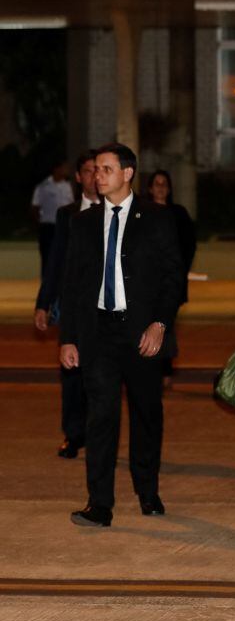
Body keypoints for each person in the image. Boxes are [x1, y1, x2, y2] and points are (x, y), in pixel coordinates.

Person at [60, 143, 184, 527]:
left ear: (128, 173)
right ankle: (99, 503)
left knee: (147, 414)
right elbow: (72, 284)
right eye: (96, 170)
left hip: (143, 332)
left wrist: (159, 324)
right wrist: (68, 337)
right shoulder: (81, 223)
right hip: (98, 333)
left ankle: (147, 491)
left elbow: (173, 278)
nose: (98, 176)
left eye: (107, 169)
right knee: (101, 417)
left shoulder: (159, 218)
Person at [34, 149, 99, 459]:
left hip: (108, 309)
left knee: (101, 375)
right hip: (74, 308)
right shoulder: (67, 215)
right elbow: (55, 262)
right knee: (72, 373)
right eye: (87, 171)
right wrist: (43, 303)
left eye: (98, 170)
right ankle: (73, 435)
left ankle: (99, 434)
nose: (93, 177)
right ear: (78, 177)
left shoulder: (120, 212)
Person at [145, 170, 197, 388]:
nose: (160, 187)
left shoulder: (178, 213)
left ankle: (165, 369)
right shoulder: (142, 212)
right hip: (147, 282)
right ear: (149, 188)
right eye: (156, 184)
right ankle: (151, 367)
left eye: (164, 183)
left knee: (167, 324)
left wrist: (179, 271)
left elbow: (188, 245)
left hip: (171, 281)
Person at [31, 159, 75, 274]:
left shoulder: (67, 186)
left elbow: (72, 205)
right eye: (64, 168)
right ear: (56, 169)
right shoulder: (43, 186)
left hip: (64, 226)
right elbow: (35, 207)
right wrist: (39, 223)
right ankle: (46, 285)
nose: (66, 170)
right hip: (48, 226)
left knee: (63, 257)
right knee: (47, 257)